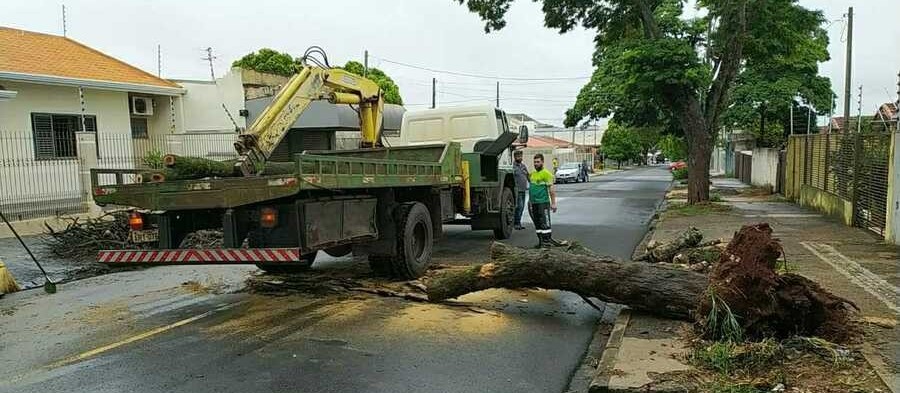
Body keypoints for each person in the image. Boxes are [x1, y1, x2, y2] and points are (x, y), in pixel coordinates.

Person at [528, 154, 566, 248]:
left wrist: (553, 203)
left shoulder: (547, 174)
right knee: (538, 224)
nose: (536, 164)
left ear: (542, 162)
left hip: (543, 202)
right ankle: (541, 242)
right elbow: (532, 188)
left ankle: (547, 242)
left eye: (538, 162)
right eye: (534, 162)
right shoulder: (533, 174)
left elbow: (551, 190)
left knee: (545, 223)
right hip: (534, 203)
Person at [512, 150, 529, 230]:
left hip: (523, 189)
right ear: (514, 157)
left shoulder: (523, 166)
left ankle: (518, 223)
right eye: (518, 156)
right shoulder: (513, 167)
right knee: (519, 206)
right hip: (517, 190)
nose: (520, 158)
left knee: (522, 207)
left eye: (520, 156)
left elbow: (528, 176)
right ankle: (516, 223)